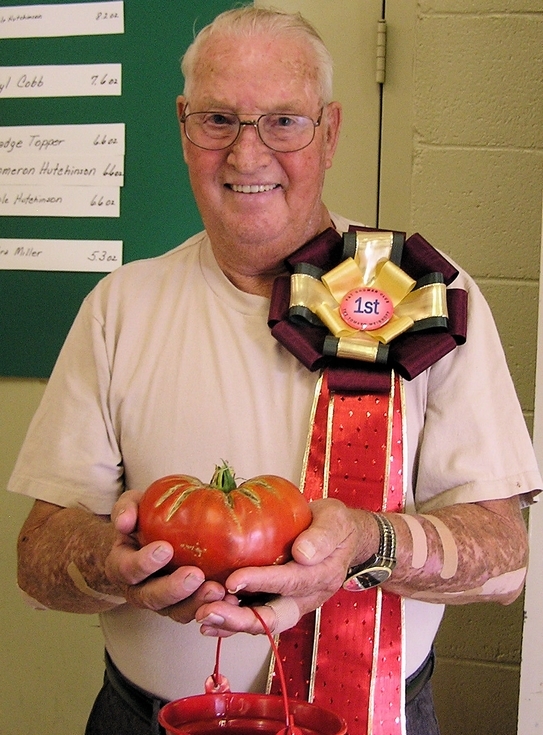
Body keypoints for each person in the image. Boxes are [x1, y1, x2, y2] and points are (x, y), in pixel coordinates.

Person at [10, 7, 541, 735]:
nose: (246, 154)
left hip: (372, 714)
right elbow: (37, 559)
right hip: (145, 719)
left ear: (330, 131)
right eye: (218, 120)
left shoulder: (425, 294)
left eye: (283, 122)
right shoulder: (120, 306)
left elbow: (504, 561)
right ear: (182, 126)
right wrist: (113, 563)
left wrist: (366, 543)